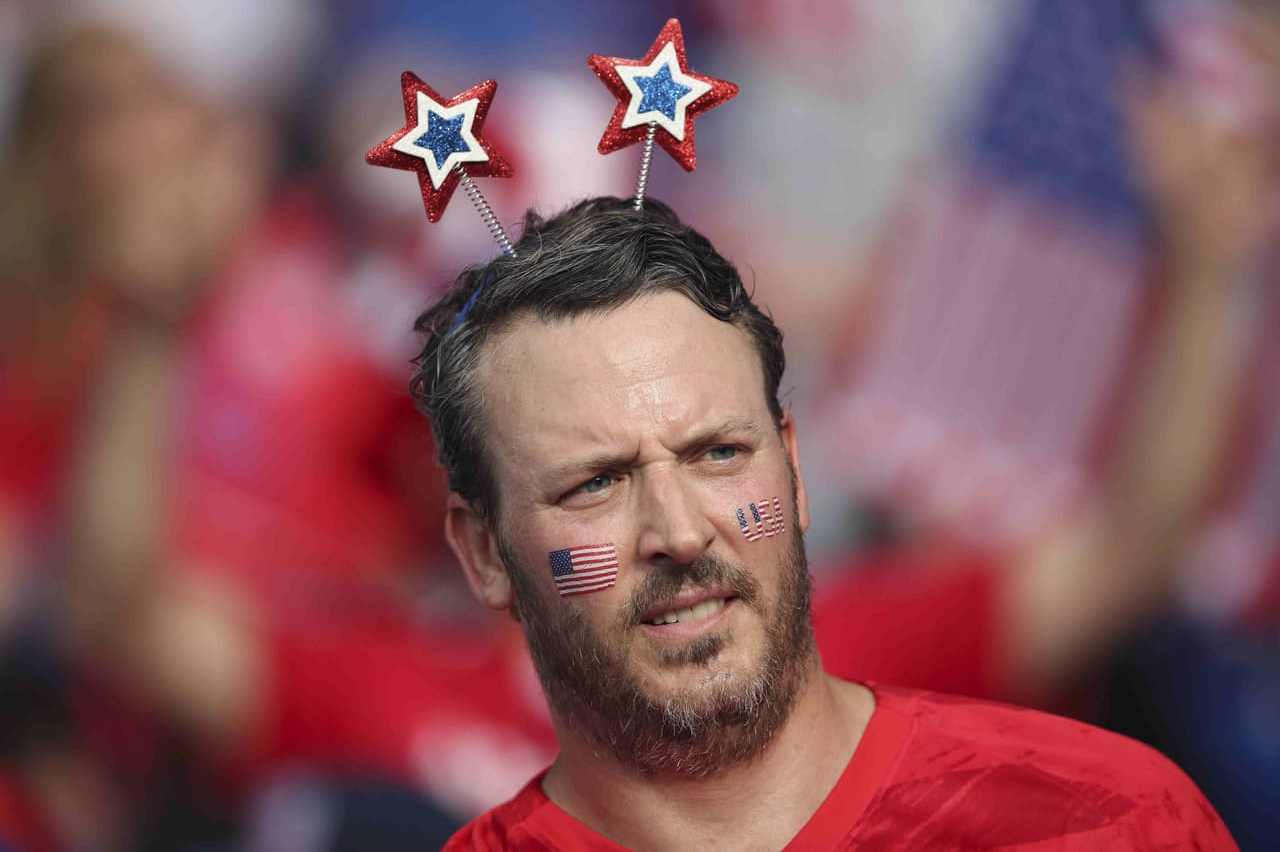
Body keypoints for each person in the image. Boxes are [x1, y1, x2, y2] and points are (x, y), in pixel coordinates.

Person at [413, 196, 1237, 850]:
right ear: (483, 551)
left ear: (795, 467)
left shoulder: (1111, 819)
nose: (681, 529)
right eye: (595, 482)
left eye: (718, 453)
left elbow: (1128, 550)